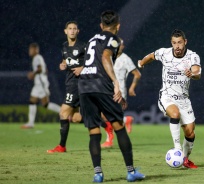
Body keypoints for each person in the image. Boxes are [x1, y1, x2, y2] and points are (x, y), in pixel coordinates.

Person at [78, 10, 145, 182]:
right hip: (101, 84)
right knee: (119, 127)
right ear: (118, 26)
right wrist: (115, 82)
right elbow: (106, 56)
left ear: (101, 25)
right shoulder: (114, 39)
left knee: (94, 131)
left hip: (85, 86)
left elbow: (88, 61)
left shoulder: (92, 39)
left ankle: (98, 174)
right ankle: (131, 172)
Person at [138, 29, 202, 169]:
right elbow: (151, 56)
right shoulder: (164, 53)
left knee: (190, 132)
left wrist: (192, 74)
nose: (177, 46)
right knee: (175, 114)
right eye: (174, 43)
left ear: (185, 42)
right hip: (167, 96)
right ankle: (177, 148)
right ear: (171, 43)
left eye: (179, 42)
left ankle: (184, 159)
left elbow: (197, 72)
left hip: (184, 100)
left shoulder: (192, 56)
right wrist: (141, 63)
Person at [47, 21, 85, 153]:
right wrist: (62, 65)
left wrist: (82, 68)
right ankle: (104, 123)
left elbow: (94, 62)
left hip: (77, 84)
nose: (72, 31)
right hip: (69, 82)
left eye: (75, 28)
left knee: (63, 112)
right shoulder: (64, 46)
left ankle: (61, 146)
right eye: (70, 28)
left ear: (78, 31)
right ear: (65, 31)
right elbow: (65, 61)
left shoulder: (83, 46)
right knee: (75, 118)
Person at [101, 38, 141, 148]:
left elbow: (137, 74)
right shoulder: (107, 56)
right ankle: (125, 120)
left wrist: (132, 88)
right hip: (106, 90)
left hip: (119, 92)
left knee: (105, 115)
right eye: (118, 44)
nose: (120, 46)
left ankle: (109, 140)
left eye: (122, 45)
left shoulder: (125, 59)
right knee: (105, 116)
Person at [21, 43, 60, 129]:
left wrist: (33, 74)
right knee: (32, 101)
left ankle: (63, 112)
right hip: (38, 83)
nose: (29, 51)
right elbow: (45, 70)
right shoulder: (39, 58)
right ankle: (30, 123)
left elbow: (40, 69)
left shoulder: (37, 57)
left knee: (45, 104)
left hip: (41, 84)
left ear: (36, 50)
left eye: (31, 49)